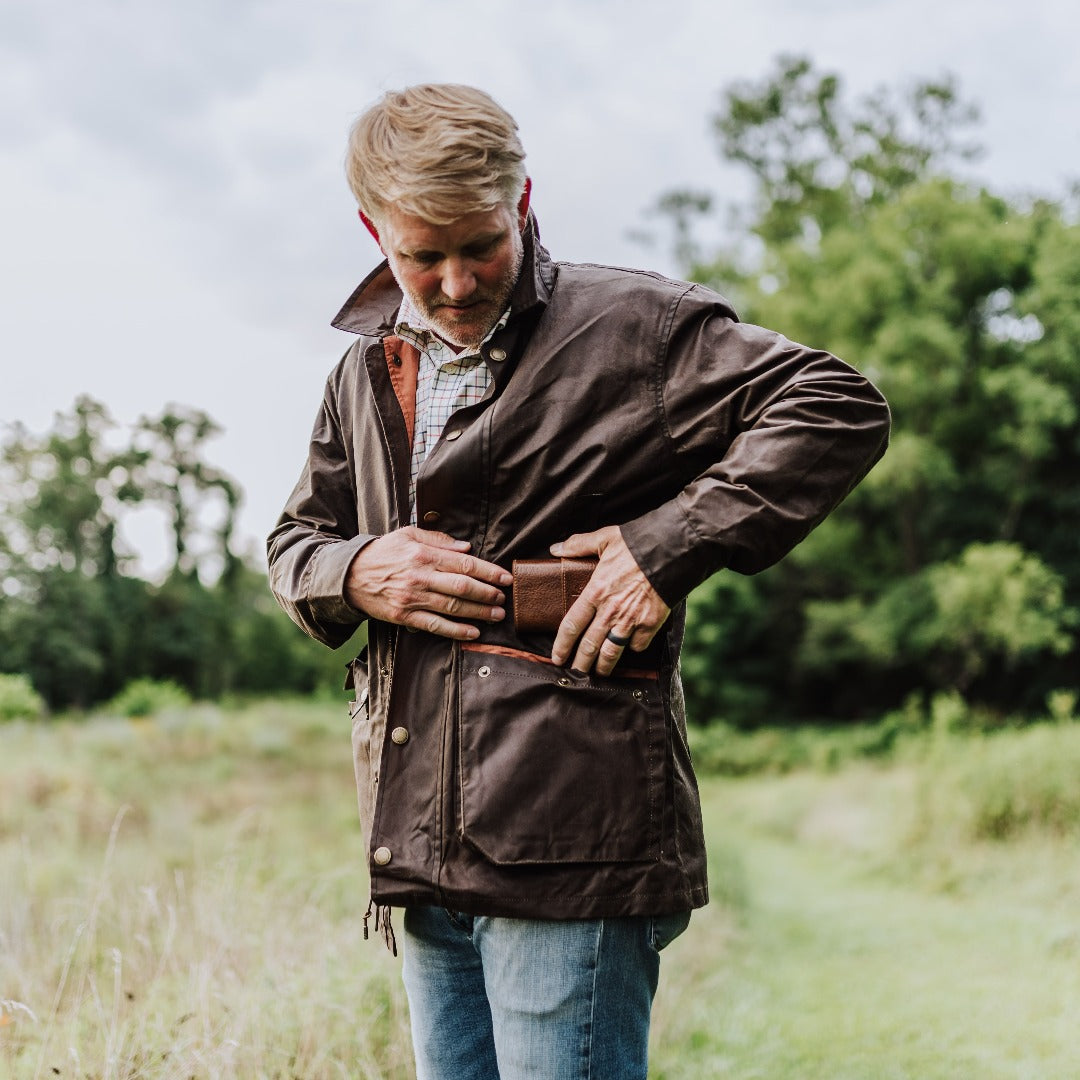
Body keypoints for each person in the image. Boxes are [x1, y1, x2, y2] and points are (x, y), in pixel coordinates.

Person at [267, 83, 890, 1079]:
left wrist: (666, 545)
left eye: (482, 245)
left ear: (522, 202)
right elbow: (296, 540)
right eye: (422, 256)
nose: (456, 282)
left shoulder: (637, 325)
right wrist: (357, 569)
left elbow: (835, 405)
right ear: (371, 229)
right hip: (414, 845)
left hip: (575, 838)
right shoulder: (361, 372)